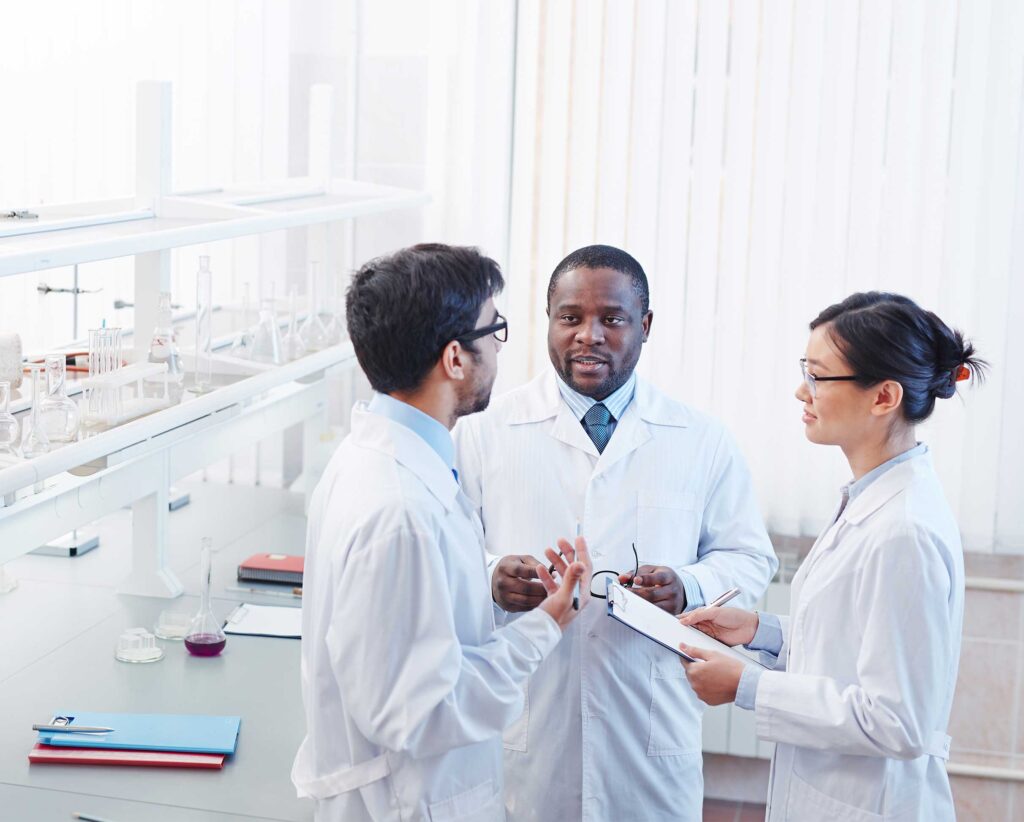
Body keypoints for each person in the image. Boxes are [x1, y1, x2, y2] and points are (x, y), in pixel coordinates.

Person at [453, 244, 777, 821]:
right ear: (548, 321)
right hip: (528, 721)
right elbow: (443, 554)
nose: (589, 336)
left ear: (645, 326)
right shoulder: (484, 431)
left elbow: (749, 557)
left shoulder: (700, 439)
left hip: (648, 730)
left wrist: (687, 586)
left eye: (613, 319)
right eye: (571, 318)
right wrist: (490, 576)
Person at [291, 243, 593, 822]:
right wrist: (544, 626)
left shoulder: (376, 458)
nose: (500, 348)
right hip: (413, 802)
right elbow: (427, 711)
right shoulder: (401, 509)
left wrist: (485, 581)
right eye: (493, 330)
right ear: (455, 358)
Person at [679, 292, 985, 821]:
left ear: (883, 397)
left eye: (819, 376)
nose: (802, 391)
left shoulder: (903, 529)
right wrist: (759, 631)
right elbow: (855, 642)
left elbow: (900, 721)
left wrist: (747, 685)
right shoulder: (872, 497)